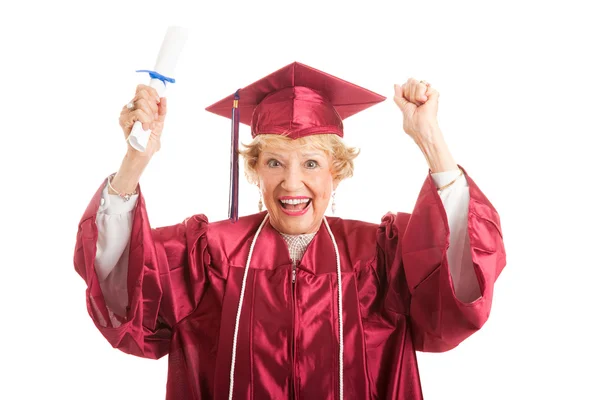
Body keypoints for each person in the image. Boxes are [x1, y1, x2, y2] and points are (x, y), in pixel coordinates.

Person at [74, 62, 506, 399]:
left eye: (312, 163)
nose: (292, 183)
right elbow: (123, 298)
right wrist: (135, 161)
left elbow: (455, 296)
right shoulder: (207, 257)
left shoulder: (379, 257)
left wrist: (431, 140)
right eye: (275, 162)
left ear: (337, 173)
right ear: (255, 171)